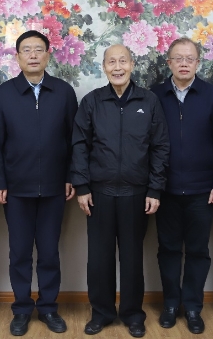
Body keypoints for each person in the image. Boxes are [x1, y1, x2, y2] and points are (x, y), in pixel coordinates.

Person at [72, 44, 170, 338]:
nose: (117, 67)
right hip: (99, 194)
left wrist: (155, 189)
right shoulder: (92, 101)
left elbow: (160, 147)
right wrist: (82, 187)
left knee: (132, 258)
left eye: (123, 61)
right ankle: (101, 313)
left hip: (136, 194)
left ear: (132, 65)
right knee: (99, 259)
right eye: (111, 62)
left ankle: (132, 314)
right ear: (104, 67)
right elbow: (79, 145)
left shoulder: (149, 101)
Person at [0, 30, 78, 336]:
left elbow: (74, 140)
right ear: (17, 57)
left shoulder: (63, 92)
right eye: (26, 50)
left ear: (48, 55)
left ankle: (49, 307)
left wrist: (70, 177)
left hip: (54, 187)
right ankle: (22, 309)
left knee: (50, 252)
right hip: (16, 188)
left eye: (39, 49)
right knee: (20, 253)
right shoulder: (4, 93)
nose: (33, 55)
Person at [150, 38, 213, 335]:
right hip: (166, 189)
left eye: (190, 58)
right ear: (169, 63)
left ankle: (194, 306)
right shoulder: (155, 94)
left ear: (198, 62)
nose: (184, 63)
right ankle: (171, 304)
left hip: (203, 190)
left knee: (198, 250)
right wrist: (152, 187)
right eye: (178, 58)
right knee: (168, 249)